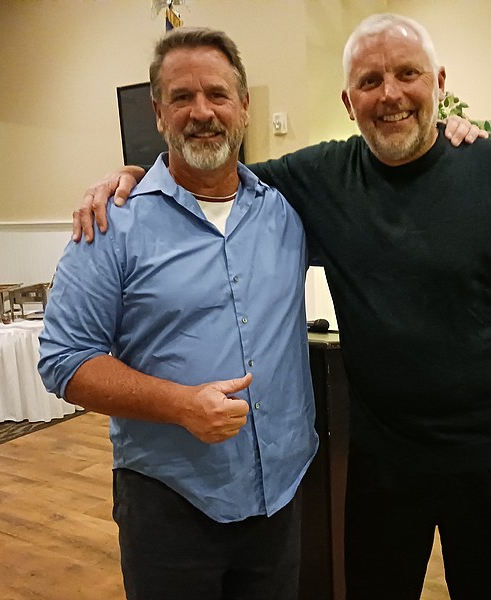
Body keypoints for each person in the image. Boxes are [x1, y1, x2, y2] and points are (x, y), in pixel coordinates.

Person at [74, 14, 491, 599]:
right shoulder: (320, 177)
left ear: (439, 82)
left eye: (407, 74)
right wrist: (134, 176)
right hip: (381, 464)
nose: (390, 94)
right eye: (370, 81)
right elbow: (210, 175)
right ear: (348, 100)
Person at [38, 28, 325, 600]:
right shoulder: (111, 225)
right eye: (181, 97)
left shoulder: (287, 212)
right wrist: (180, 405)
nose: (202, 112)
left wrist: (452, 133)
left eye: (217, 95)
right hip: (170, 501)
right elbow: (64, 361)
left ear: (244, 106)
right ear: (158, 113)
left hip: (281, 493)